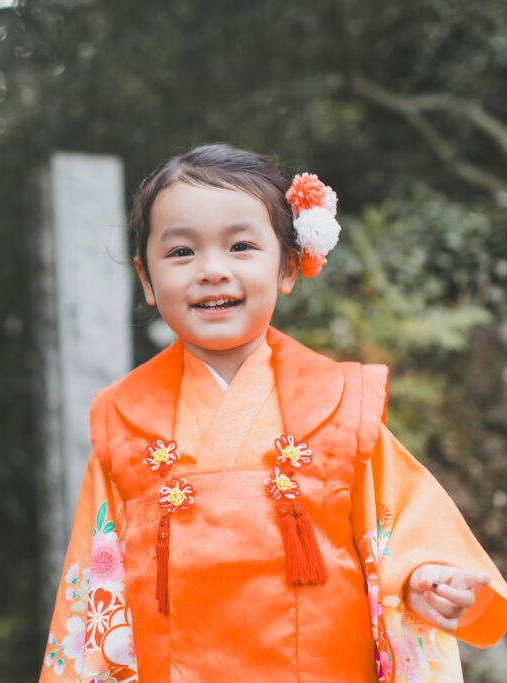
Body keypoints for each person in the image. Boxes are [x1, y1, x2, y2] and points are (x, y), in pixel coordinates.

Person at [39, 144, 507, 682]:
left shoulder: (336, 406)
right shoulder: (125, 423)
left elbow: (401, 521)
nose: (212, 271)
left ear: (287, 265)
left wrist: (422, 577)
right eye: (181, 253)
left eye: (240, 246)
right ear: (146, 279)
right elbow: (96, 586)